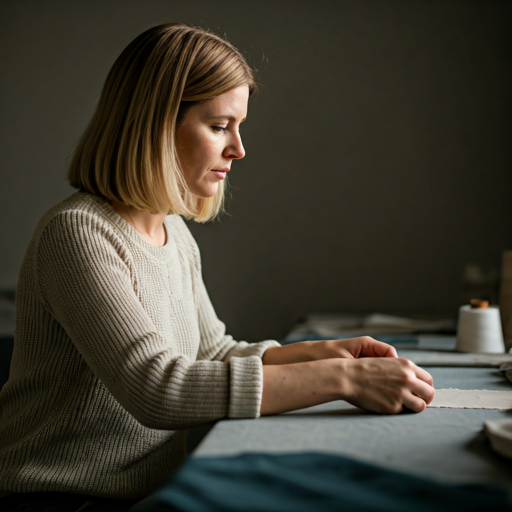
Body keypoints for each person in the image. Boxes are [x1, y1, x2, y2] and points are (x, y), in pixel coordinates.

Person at [0, 23, 435, 511]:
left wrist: (324, 353)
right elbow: (157, 388)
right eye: (219, 125)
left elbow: (212, 352)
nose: (238, 149)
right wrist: (346, 380)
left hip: (138, 495)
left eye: (239, 126)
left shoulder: (175, 233)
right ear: (155, 123)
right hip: (55, 500)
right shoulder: (77, 233)